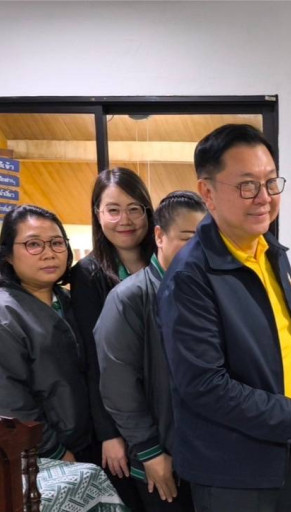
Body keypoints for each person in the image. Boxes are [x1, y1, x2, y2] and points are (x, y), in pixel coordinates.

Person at [156, 124, 291, 512]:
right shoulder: (191, 275)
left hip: (289, 455)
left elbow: (275, 333)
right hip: (233, 471)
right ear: (207, 192)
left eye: (271, 182)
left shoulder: (269, 251)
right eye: (247, 185)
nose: (264, 198)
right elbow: (205, 385)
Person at [95, 191, 207, 511]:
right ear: (159, 235)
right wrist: (150, 453)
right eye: (188, 237)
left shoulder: (205, 293)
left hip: (206, 456)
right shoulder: (129, 298)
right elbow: (118, 386)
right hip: (160, 457)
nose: (199, 248)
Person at [70, 167, 156, 511]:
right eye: (113, 210)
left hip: (164, 408)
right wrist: (109, 434)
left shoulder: (164, 262)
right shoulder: (88, 274)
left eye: (135, 209)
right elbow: (94, 360)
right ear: (98, 213)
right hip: (121, 416)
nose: (125, 220)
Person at [0, 205, 91, 462]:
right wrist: (53, 450)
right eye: (33, 244)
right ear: (8, 255)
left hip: (88, 443)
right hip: (41, 456)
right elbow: (11, 399)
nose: (49, 254)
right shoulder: (7, 314)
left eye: (56, 243)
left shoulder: (71, 301)